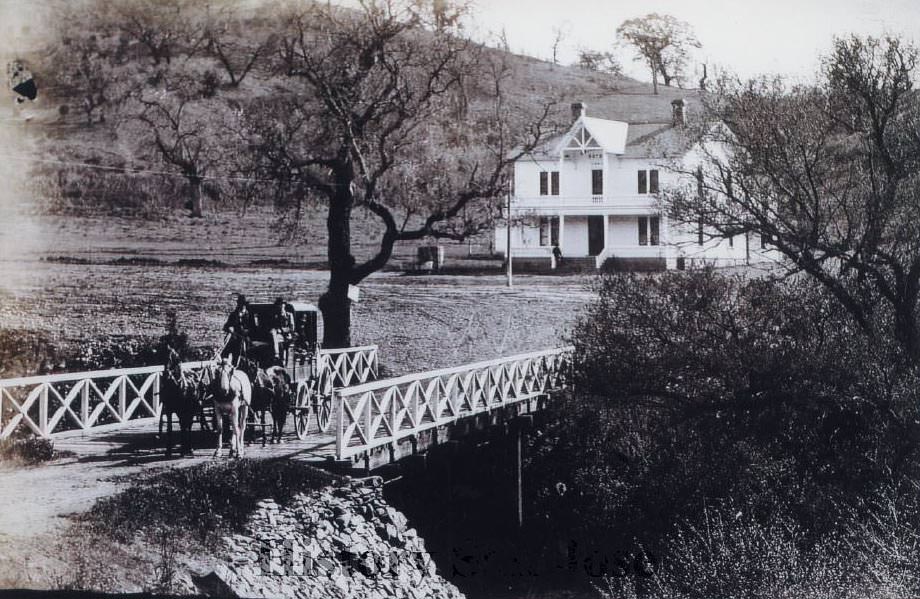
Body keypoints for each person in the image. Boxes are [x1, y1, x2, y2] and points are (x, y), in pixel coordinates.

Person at [222, 294, 254, 361]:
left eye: (243, 306)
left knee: (244, 343)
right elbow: (227, 326)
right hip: (236, 335)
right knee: (231, 342)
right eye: (240, 305)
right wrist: (230, 328)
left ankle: (242, 360)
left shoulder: (250, 315)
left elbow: (253, 327)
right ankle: (226, 359)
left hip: (246, 335)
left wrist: (247, 331)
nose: (242, 307)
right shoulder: (234, 314)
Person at [268, 297, 292, 365]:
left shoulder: (289, 315)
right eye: (280, 305)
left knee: (281, 343)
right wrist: (276, 329)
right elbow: (274, 324)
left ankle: (281, 359)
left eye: (282, 305)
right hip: (278, 334)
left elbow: (291, 328)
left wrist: (282, 330)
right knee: (274, 335)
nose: (281, 307)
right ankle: (276, 355)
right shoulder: (277, 315)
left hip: (286, 335)